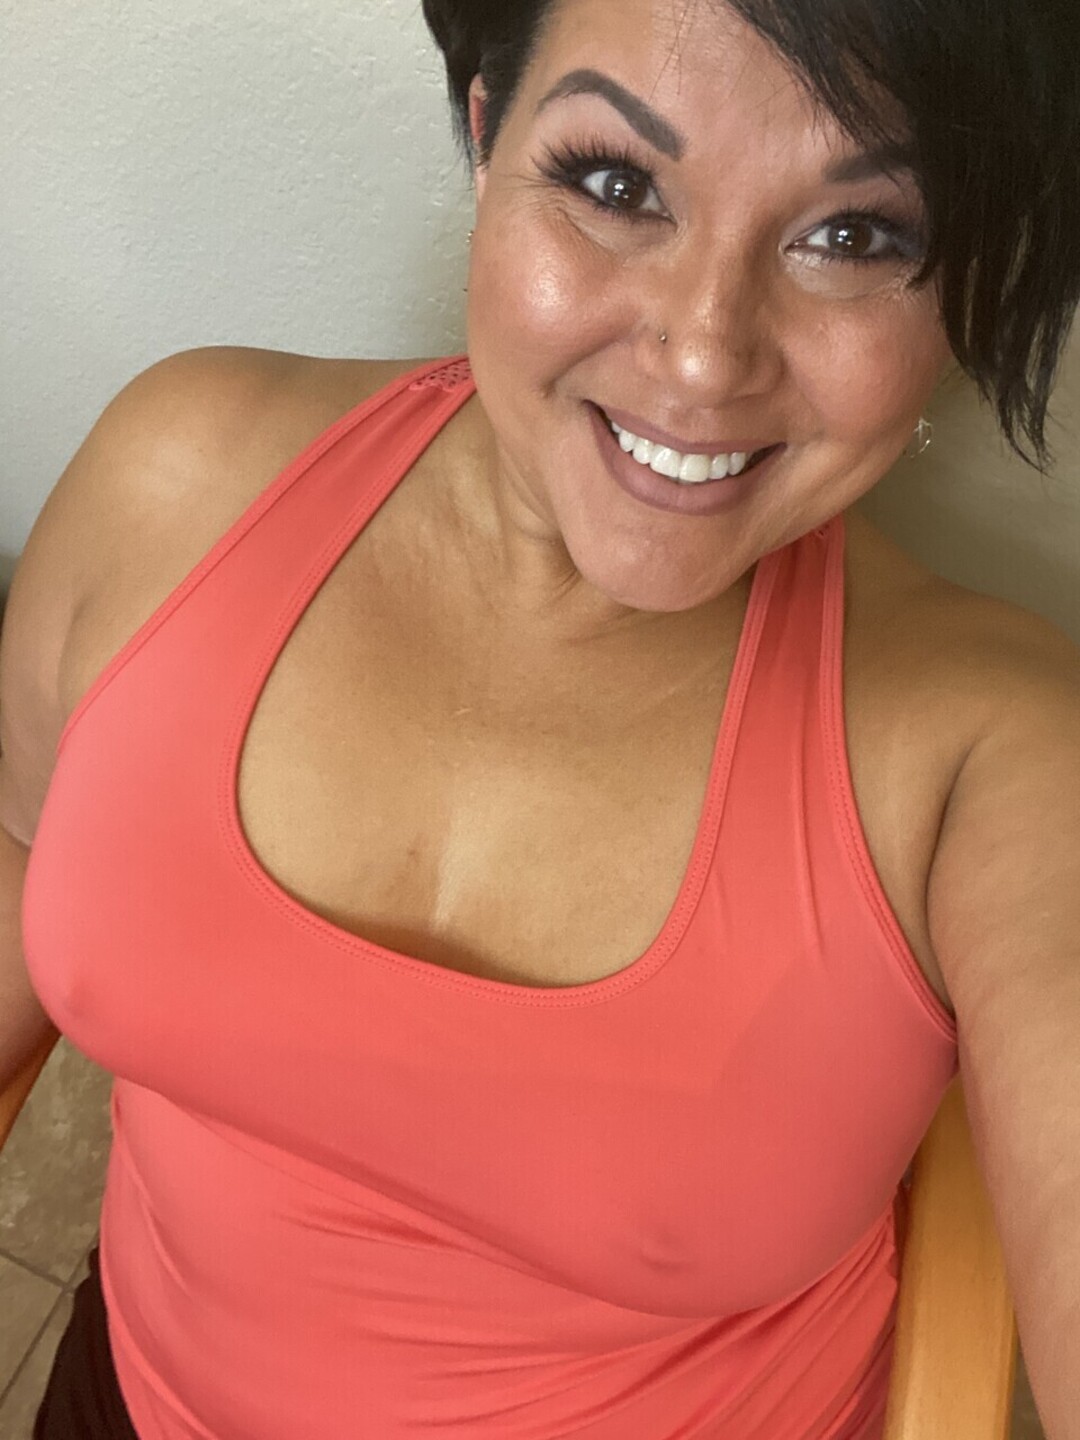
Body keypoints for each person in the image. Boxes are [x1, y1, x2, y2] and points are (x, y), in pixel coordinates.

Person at [2, 0, 1079, 1435]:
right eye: (619, 183)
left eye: (855, 234)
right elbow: (21, 846)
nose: (704, 357)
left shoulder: (994, 753)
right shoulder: (176, 473)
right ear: (482, 134)